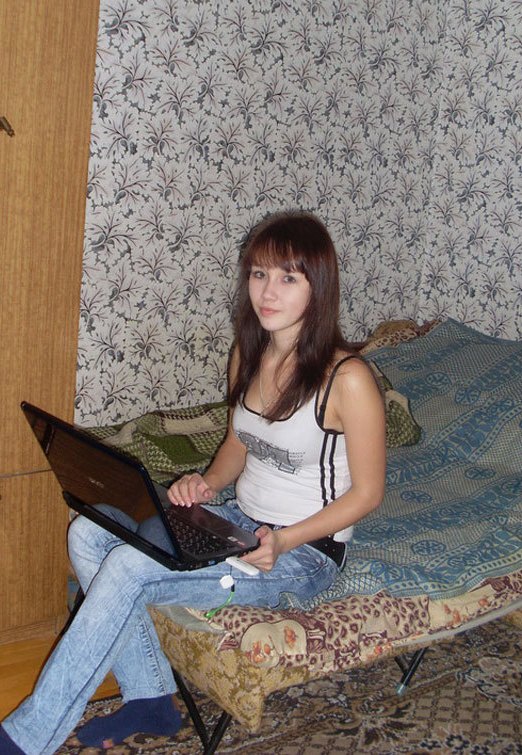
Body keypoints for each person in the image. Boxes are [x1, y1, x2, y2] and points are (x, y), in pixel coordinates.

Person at [0, 211, 386, 754]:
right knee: (90, 532)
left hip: (302, 554)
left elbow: (368, 494)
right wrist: (204, 483)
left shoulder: (347, 379)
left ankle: (24, 739)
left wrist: (283, 541)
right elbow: (238, 444)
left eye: (287, 278)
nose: (267, 291)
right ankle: (150, 699)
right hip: (237, 526)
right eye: (259, 274)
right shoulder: (248, 355)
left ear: (318, 288)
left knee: (131, 567)